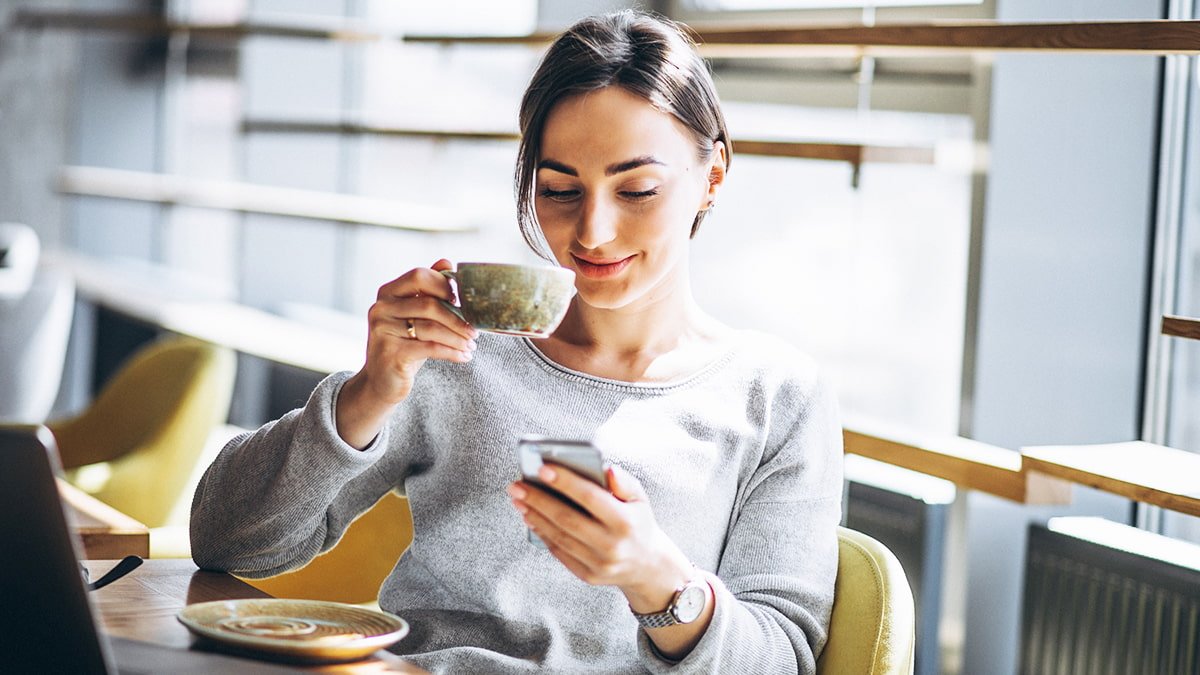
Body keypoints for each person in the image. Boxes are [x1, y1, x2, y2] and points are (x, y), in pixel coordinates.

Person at [190, 10, 842, 674]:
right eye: (560, 190)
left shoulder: (777, 396)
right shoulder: (462, 352)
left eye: (637, 190)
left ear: (713, 176)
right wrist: (365, 396)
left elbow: (783, 658)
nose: (593, 231)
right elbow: (223, 541)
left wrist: (659, 581)